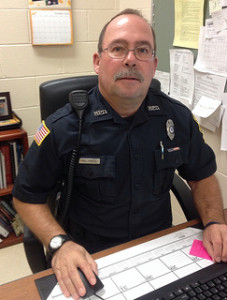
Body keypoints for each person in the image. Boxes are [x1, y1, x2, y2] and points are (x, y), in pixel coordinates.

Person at [13, 8, 226, 300]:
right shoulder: (63, 127)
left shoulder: (176, 118)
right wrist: (58, 243)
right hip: (90, 256)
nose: (130, 59)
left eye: (142, 50)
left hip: (161, 245)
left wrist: (214, 221)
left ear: (153, 64)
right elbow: (27, 197)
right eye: (118, 48)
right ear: (98, 62)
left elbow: (202, 176)